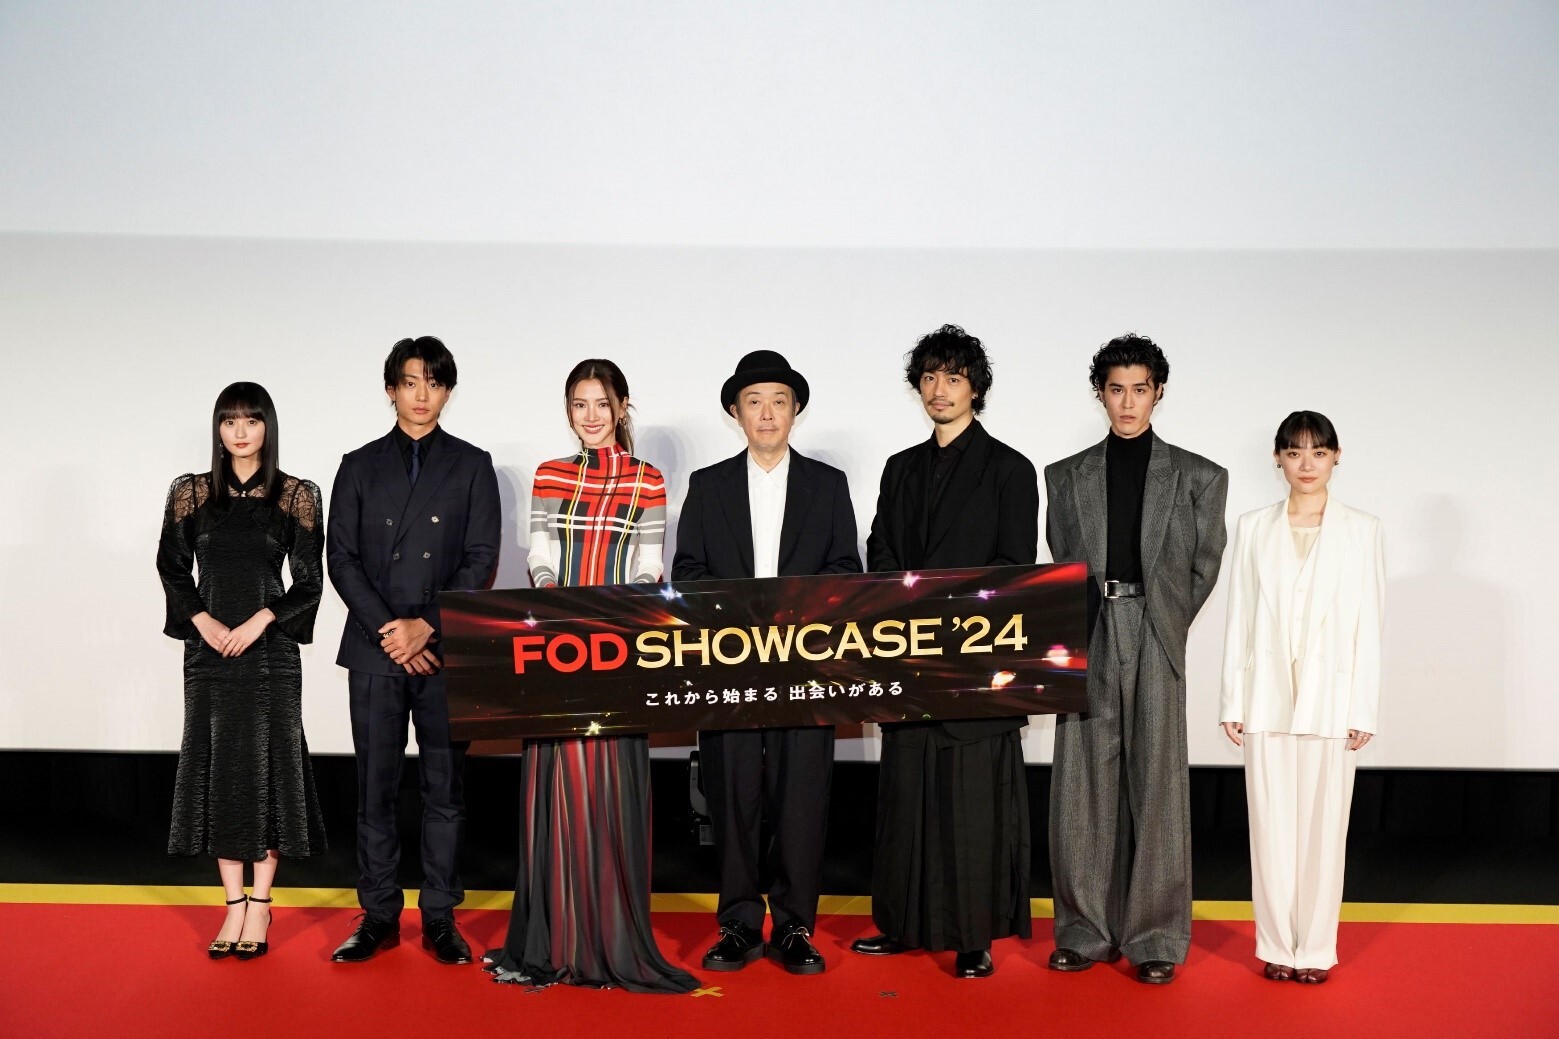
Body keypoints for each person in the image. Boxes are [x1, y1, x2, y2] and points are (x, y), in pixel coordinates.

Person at [483, 359, 697, 993]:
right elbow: (541, 559)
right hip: (559, 651)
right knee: (557, 786)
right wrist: (564, 612)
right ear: (568, 412)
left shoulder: (648, 480)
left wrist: (609, 619)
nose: (592, 416)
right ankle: (555, 939)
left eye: (603, 403)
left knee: (610, 788)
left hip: (618, 651)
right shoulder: (550, 474)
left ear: (622, 407)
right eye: (580, 404)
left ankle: (608, 936)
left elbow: (649, 567)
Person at [850, 324, 1039, 980]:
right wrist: (906, 612)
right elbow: (879, 550)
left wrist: (945, 616)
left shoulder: (1010, 469)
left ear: (975, 388)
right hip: (906, 661)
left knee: (971, 807)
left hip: (974, 666)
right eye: (929, 377)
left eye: (952, 378)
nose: (939, 389)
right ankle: (901, 924)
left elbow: (1013, 568)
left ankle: (971, 936)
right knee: (905, 800)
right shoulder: (899, 467)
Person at [672, 350, 861, 976]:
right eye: (754, 401)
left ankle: (795, 926)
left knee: (801, 800)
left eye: (779, 400)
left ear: (795, 410)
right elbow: (688, 574)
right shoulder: (708, 486)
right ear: (736, 412)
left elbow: (846, 571)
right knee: (732, 797)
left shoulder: (827, 485)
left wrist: (795, 615)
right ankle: (738, 924)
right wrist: (738, 618)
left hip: (805, 671)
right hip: (728, 670)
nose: (767, 412)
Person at [1045, 333, 1227, 984]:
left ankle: (1154, 937)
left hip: (1156, 626)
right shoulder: (1064, 476)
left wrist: (1166, 622)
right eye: (1116, 389)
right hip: (1090, 627)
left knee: (1158, 785)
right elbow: (1062, 555)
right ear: (1100, 394)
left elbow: (1204, 563)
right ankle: (1083, 931)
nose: (1127, 402)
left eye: (1139, 389)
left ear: (1158, 393)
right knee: (1081, 784)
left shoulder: (1200, 476)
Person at [326, 336, 501, 965]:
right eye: (409, 382)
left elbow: (481, 559)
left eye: (433, 382)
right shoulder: (358, 465)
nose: (421, 394)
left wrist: (427, 627)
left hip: (444, 649)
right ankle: (377, 915)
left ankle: (440, 916)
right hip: (376, 650)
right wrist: (394, 632)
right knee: (374, 788)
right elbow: (341, 559)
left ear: (448, 390)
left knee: (444, 789)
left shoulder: (473, 465)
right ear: (390, 390)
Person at [157, 381, 326, 959]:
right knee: (219, 769)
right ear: (218, 429)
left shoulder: (296, 495)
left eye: (251, 420)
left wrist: (261, 620)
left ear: (267, 427)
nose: (240, 432)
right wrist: (201, 621)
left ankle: (261, 904)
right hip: (208, 654)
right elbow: (171, 567)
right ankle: (232, 905)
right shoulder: (191, 492)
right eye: (229, 421)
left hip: (270, 655)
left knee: (269, 770)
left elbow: (309, 581)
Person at [1219, 411, 1383, 984]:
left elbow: (1370, 623)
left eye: (1317, 452)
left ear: (1336, 456)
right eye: (1294, 452)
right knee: (1269, 828)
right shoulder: (1253, 527)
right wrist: (1233, 700)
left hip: (1331, 700)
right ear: (1278, 459)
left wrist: (1363, 707)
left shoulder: (1362, 529)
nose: (1306, 464)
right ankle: (1275, 945)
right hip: (1266, 697)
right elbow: (1239, 617)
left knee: (1324, 830)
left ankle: (1313, 949)